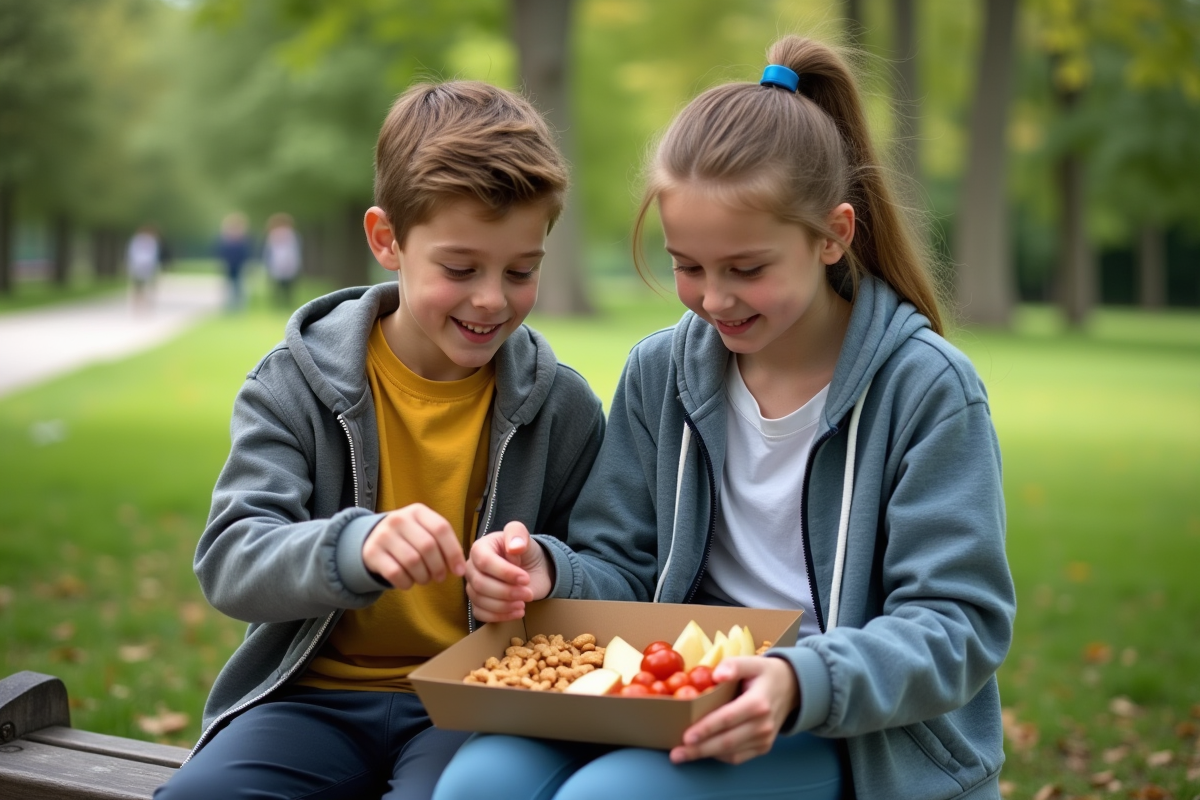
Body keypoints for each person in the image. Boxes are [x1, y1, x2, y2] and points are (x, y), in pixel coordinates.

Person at [438, 35, 1015, 800]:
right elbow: (624, 562)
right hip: (669, 688)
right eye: (687, 266)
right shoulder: (662, 372)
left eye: (746, 269)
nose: (714, 300)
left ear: (833, 237)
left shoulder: (925, 389)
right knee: (479, 782)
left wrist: (796, 681)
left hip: (842, 726)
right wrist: (550, 570)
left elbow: (957, 625)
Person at [155, 80, 605, 800]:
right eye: (460, 269)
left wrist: (546, 569)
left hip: (473, 706)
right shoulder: (291, 385)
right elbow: (232, 559)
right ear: (386, 239)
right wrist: (351, 547)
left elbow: (610, 569)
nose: (492, 298)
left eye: (522, 270)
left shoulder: (563, 405)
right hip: (308, 701)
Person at [263, 212, 301, 309]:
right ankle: (283, 304)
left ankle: (282, 304)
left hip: (285, 265)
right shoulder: (288, 235)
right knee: (283, 287)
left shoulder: (291, 235)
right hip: (280, 265)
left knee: (283, 287)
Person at [216, 211, 251, 311]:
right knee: (229, 286)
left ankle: (239, 307)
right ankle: (230, 306)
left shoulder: (243, 239)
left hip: (240, 265)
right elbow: (220, 252)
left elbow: (246, 253)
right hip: (229, 265)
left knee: (240, 286)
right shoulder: (225, 239)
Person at [126, 224, 160, 313]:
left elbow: (153, 254)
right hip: (139, 266)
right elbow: (133, 253)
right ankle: (138, 304)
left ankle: (145, 304)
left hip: (147, 266)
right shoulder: (138, 240)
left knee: (147, 286)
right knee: (138, 286)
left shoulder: (151, 241)